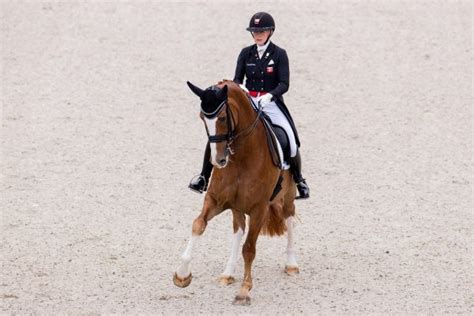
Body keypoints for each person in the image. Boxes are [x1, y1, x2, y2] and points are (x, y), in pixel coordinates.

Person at [189, 12, 310, 199]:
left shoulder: (279, 54)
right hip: (248, 101)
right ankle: (203, 177)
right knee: (218, 132)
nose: (258, 34)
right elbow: (237, 79)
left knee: (291, 138)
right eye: (254, 31)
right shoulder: (246, 53)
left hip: (271, 103)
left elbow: (284, 84)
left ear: (270, 32)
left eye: (261, 31)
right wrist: (243, 90)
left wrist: (269, 96)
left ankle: (299, 180)